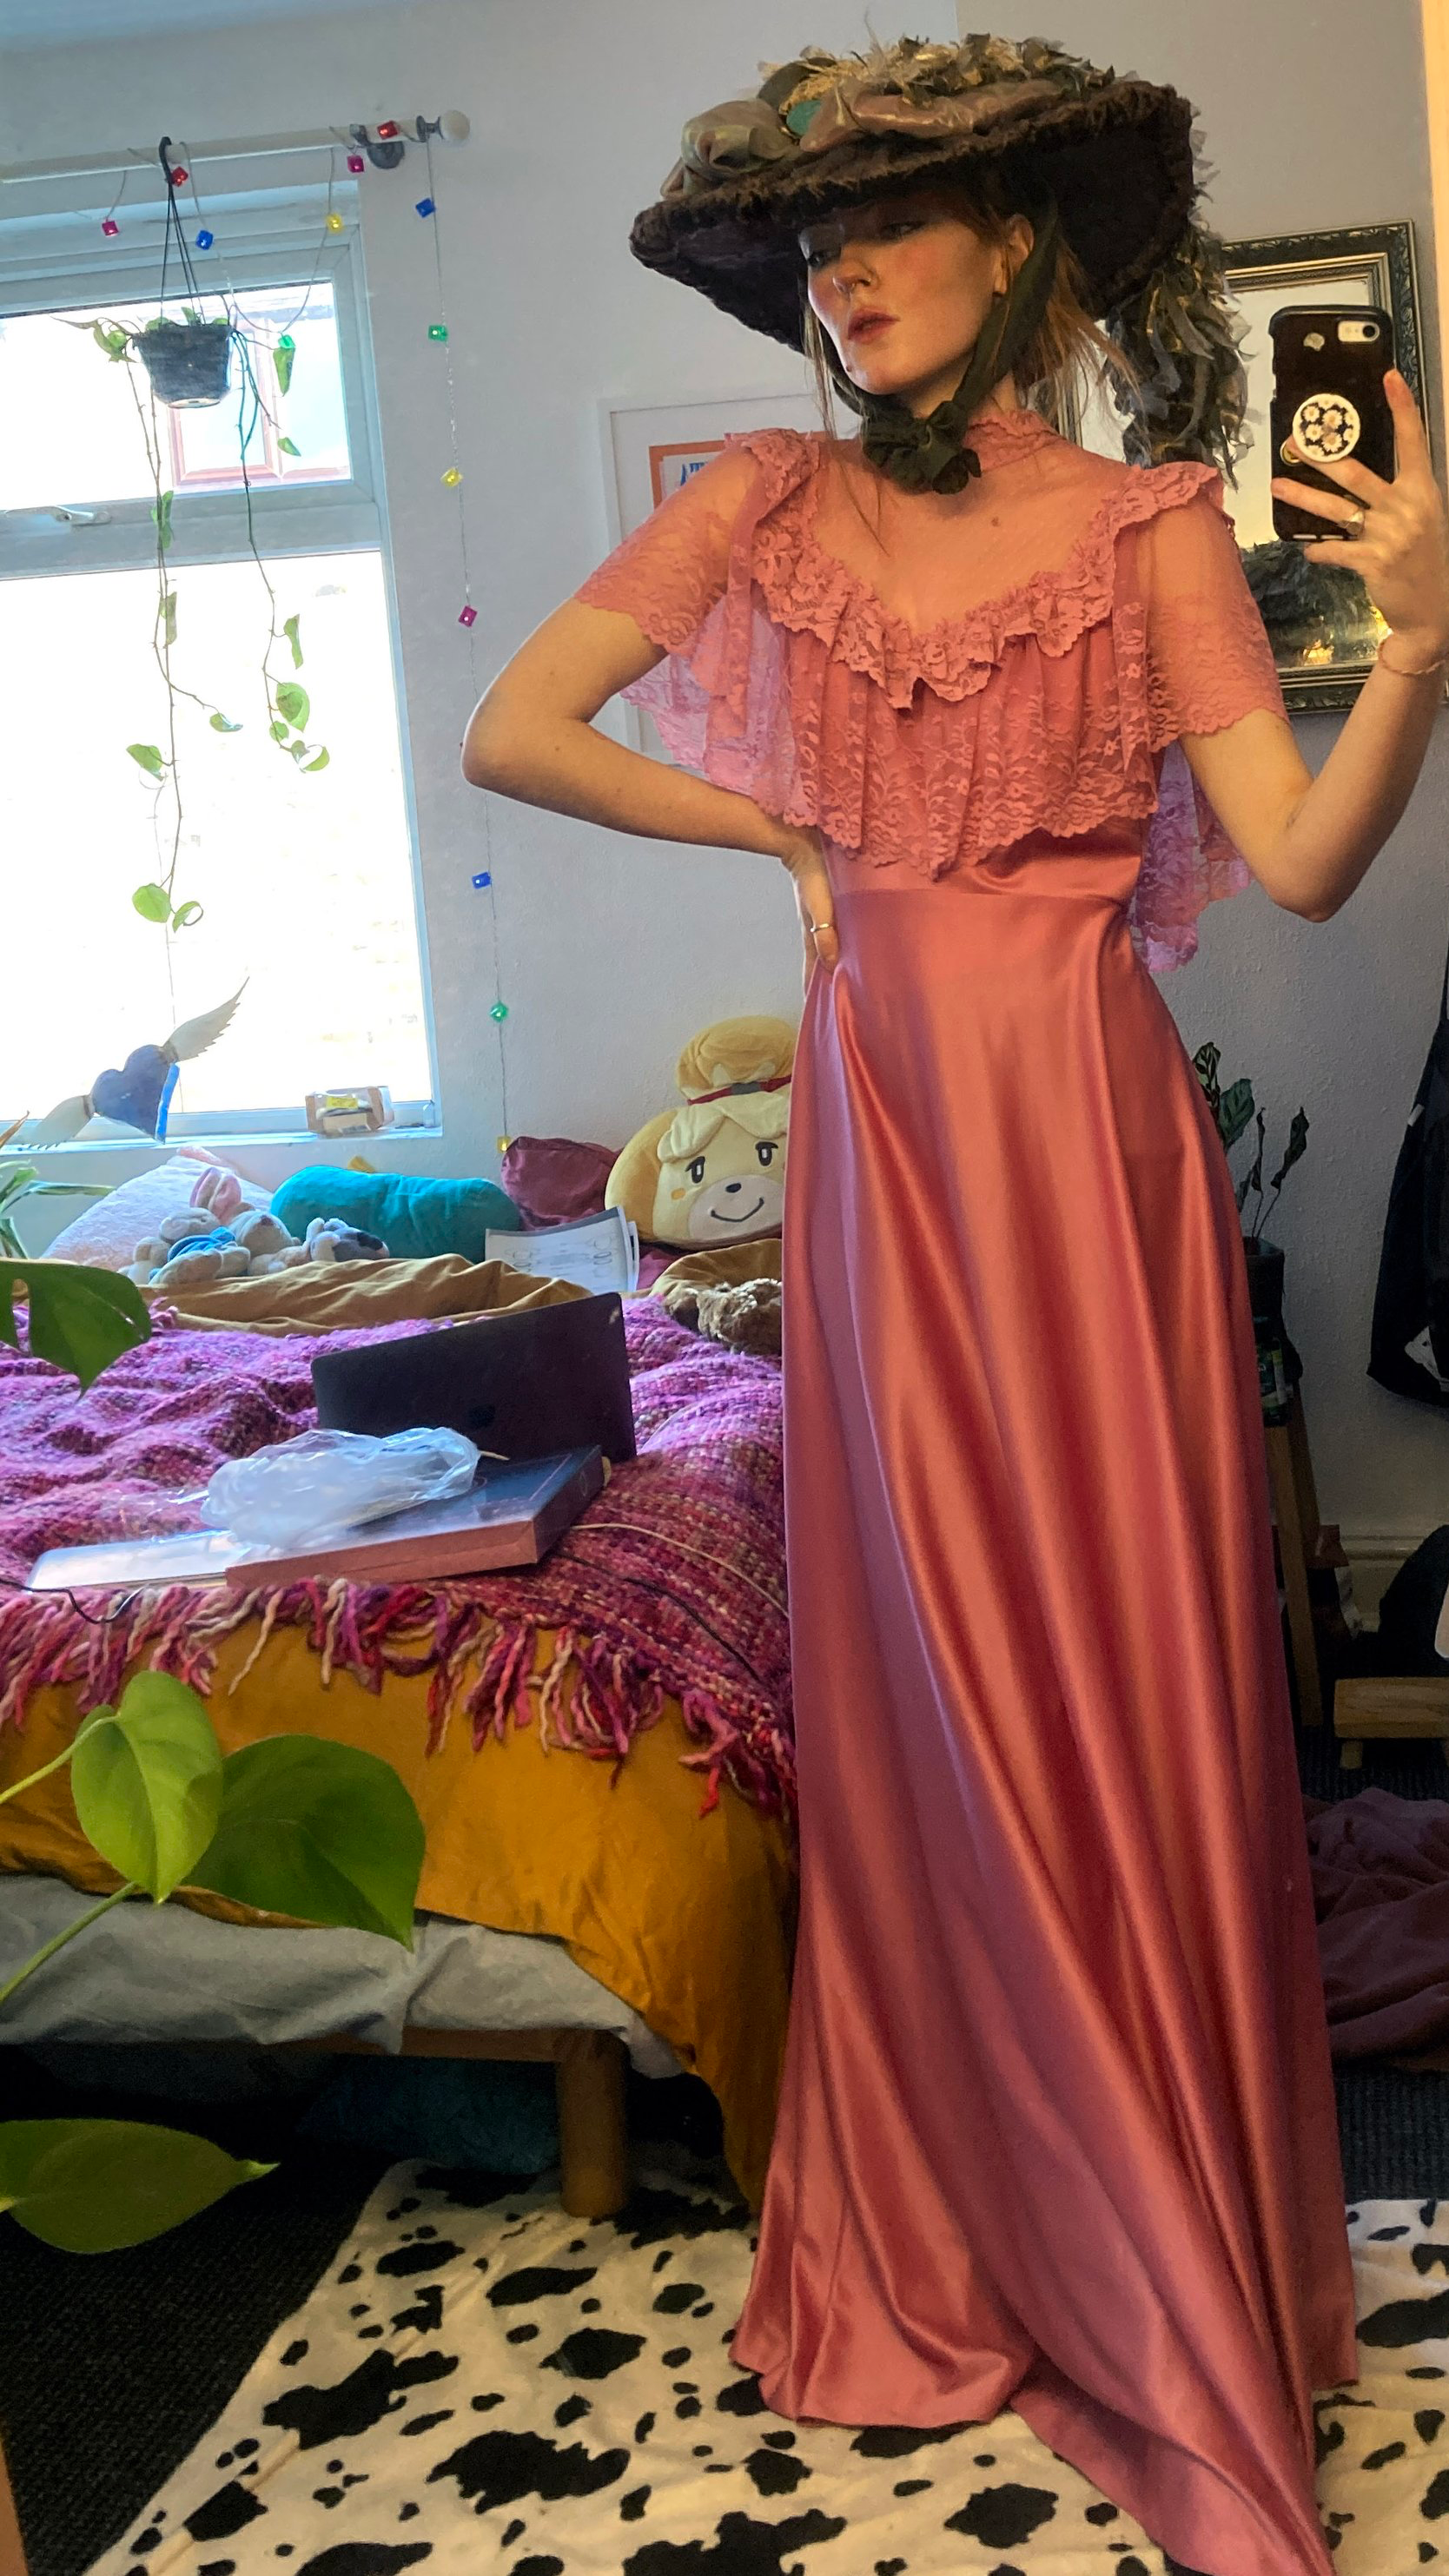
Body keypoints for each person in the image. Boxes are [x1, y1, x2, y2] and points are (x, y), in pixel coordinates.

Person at [461, 36, 1449, 2576]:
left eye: (888, 227)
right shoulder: (768, 503)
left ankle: (1146, 2229)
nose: (839, 275)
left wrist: (1420, 651)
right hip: (887, 1147)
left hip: (1086, 1137)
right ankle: (979, 2218)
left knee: (1111, 1658)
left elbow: (1306, 867)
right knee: (924, 1667)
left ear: (1017, 244)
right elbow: (518, 729)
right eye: (811, 246)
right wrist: (772, 811)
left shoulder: (1141, 527)